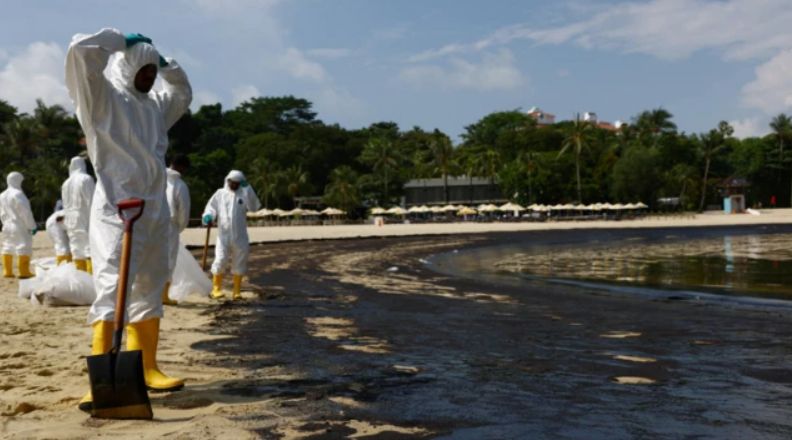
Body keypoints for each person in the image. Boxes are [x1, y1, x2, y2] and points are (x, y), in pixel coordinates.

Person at [65, 28, 192, 411]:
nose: (150, 77)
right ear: (128, 66)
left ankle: (148, 366)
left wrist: (168, 66)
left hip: (152, 208)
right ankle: (100, 377)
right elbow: (81, 52)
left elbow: (182, 94)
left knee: (150, 284)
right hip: (116, 209)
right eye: (145, 70)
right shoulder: (102, 97)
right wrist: (121, 41)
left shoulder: (153, 106)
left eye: (153, 72)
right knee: (111, 285)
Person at [202, 170, 261, 300]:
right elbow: (211, 208)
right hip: (223, 235)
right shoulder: (220, 194)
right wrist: (208, 216)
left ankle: (236, 291)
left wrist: (248, 188)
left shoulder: (244, 195)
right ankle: (216, 289)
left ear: (240, 183)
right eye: (232, 182)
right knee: (220, 259)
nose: (234, 185)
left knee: (240, 261)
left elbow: (254, 207)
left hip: (240, 236)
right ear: (227, 181)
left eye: (237, 183)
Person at [163, 155, 191, 305]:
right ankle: (163, 296)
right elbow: (184, 211)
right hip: (170, 225)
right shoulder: (180, 185)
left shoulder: (156, 177)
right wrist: (179, 227)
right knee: (168, 259)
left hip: (151, 223)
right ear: (182, 168)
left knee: (149, 256)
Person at [61, 156, 95, 273]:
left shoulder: (65, 183)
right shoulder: (86, 179)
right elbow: (92, 200)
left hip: (70, 218)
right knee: (89, 246)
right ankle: (91, 275)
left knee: (76, 247)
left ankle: (80, 276)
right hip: (85, 216)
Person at [0, 172, 37, 279]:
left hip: (6, 225)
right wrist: (32, 226)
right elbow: (25, 212)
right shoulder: (18, 194)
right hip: (19, 225)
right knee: (24, 246)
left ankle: (7, 271)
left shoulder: (1, 195)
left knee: (7, 246)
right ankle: (24, 272)